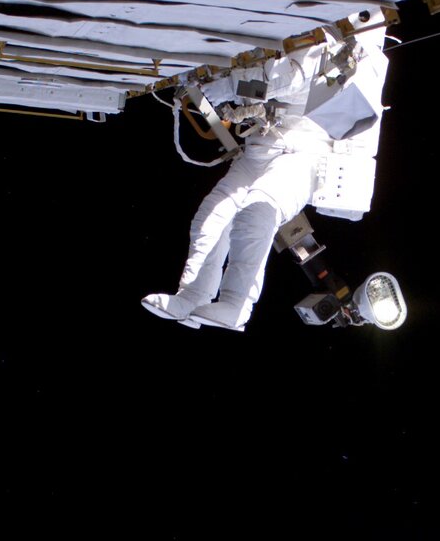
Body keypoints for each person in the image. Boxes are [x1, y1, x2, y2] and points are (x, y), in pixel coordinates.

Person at [143, 26, 388, 331]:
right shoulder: (287, 29)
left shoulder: (325, 43)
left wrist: (228, 86)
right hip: (264, 145)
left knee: (256, 211)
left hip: (305, 152)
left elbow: (288, 78)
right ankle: (193, 295)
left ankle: (235, 306)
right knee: (213, 213)